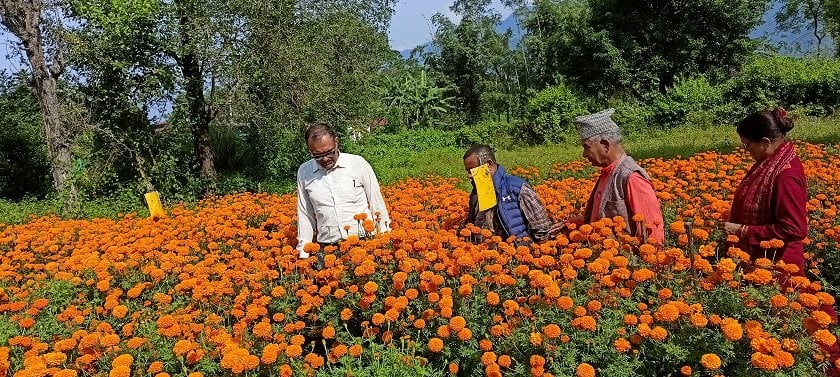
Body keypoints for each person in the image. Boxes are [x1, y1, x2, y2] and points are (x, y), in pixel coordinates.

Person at [723, 108, 839, 375]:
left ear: (765, 142)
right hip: (765, 260)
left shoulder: (785, 174)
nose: (745, 150)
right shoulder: (771, 162)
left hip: (780, 265)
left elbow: (794, 228)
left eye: (747, 144)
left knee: (792, 331)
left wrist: (742, 230)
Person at [296, 123, 391, 259]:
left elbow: (377, 203)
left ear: (336, 142)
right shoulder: (304, 172)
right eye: (317, 155)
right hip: (328, 248)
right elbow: (305, 214)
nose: (325, 159)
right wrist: (303, 255)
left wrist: (385, 240)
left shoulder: (358, 164)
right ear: (309, 150)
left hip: (364, 242)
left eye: (329, 152)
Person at [571, 108, 665, 243]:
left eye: (587, 147)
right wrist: (579, 221)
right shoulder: (607, 172)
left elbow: (652, 232)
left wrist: (650, 259)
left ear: (605, 145)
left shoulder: (631, 176)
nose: (584, 154)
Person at [462, 144, 562, 243]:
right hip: (485, 255)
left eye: (472, 170)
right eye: (467, 171)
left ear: (489, 165)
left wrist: (529, 250)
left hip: (516, 252)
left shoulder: (516, 187)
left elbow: (542, 228)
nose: (469, 176)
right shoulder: (477, 193)